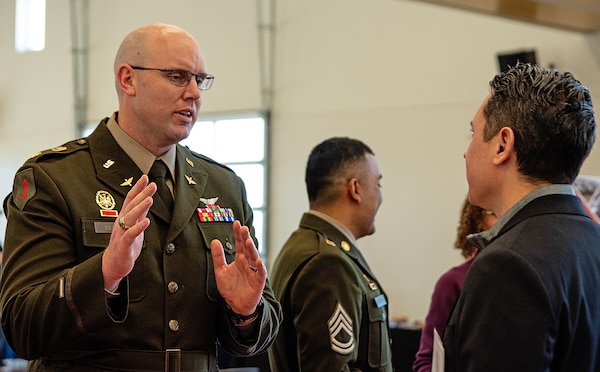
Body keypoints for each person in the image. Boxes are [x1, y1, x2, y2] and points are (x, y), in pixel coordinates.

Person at [0, 23, 281, 371]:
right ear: (128, 79)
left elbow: (261, 330)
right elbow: (22, 325)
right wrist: (104, 275)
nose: (194, 92)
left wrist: (245, 313)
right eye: (178, 76)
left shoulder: (223, 186)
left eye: (200, 79)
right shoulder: (56, 178)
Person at [443, 63, 600, 371]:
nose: (466, 151)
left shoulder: (508, 265)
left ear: (503, 145)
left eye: (473, 133)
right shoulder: (593, 241)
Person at [267, 137, 393, 371]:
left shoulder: (302, 244)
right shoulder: (327, 262)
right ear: (355, 189)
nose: (381, 196)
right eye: (378, 184)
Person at [412, 199, 496, 372]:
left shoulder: (521, 279)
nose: (505, 220)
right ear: (478, 221)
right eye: (494, 214)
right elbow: (426, 360)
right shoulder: (453, 282)